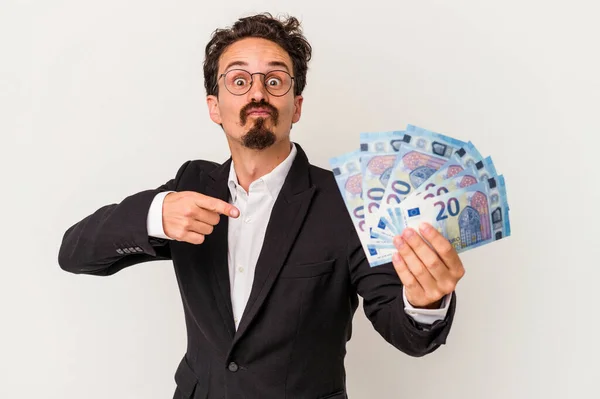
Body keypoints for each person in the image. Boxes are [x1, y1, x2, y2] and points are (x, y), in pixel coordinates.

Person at [58, 12, 465, 399]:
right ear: (214, 106)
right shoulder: (191, 186)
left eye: (274, 80)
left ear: (297, 106)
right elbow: (75, 253)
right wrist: (155, 214)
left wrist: (426, 302)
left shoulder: (347, 201)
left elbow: (407, 332)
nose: (257, 92)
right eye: (238, 80)